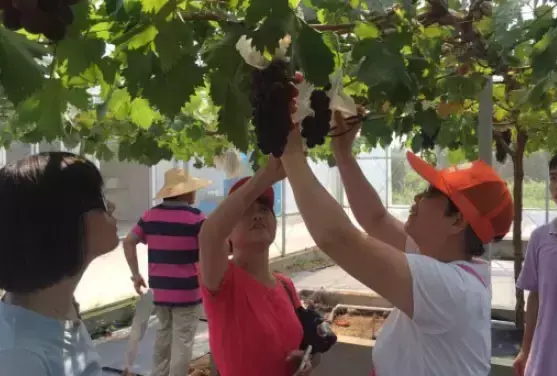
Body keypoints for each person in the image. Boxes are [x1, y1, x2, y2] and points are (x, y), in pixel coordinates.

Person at [279, 112, 514, 376]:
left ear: (457, 221)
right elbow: (376, 219)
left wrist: (290, 153)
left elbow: (338, 238)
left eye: (429, 193)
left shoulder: (452, 289)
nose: (417, 197)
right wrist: (343, 155)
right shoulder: (446, 263)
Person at [0, 152, 119, 375]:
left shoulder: (58, 309)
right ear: (58, 222)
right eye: (99, 199)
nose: (110, 206)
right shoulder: (20, 359)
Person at [198, 167, 316, 376]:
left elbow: (297, 346)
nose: (257, 217)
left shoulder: (286, 285)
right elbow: (209, 234)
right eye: (246, 212)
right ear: (229, 233)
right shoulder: (222, 281)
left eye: (263, 209)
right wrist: (269, 173)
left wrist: (305, 360)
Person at [123, 168, 210, 376]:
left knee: (163, 336)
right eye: (193, 189)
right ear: (185, 193)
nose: (195, 193)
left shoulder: (150, 216)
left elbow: (128, 242)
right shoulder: (197, 218)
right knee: (183, 340)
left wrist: (136, 275)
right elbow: (211, 249)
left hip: (160, 291)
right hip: (188, 292)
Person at [513, 145, 557, 376]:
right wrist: (526, 350)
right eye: (553, 177)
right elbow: (535, 296)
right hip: (544, 362)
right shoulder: (540, 238)